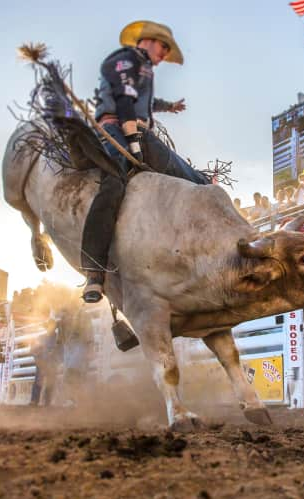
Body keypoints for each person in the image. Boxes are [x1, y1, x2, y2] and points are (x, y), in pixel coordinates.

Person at [82, 20, 210, 303]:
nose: (165, 53)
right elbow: (125, 100)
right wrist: (134, 141)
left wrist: (167, 107)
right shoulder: (122, 60)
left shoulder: (146, 69)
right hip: (114, 129)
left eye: (167, 48)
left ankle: (205, 195)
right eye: (163, 46)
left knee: (180, 174)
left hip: (137, 129)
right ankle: (94, 272)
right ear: (147, 41)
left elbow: (143, 101)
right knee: (114, 183)